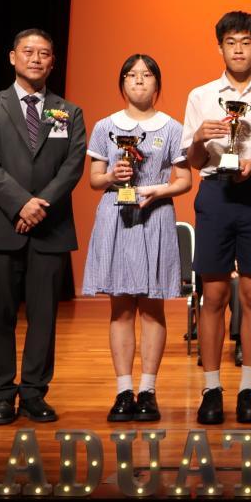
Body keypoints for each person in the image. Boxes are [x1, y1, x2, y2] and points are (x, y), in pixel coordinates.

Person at [0, 28, 87, 425]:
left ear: (53, 62)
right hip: (0, 227)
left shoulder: (68, 112)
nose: (36, 58)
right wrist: (21, 203)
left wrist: (40, 206)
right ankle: (2, 394)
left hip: (50, 229)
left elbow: (72, 166)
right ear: (12, 57)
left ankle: (34, 393)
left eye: (44, 53)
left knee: (44, 318)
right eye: (28, 51)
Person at [181, 11, 251, 425]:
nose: (238, 49)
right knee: (212, 296)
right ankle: (211, 389)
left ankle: (249, 388)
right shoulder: (201, 95)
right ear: (220, 47)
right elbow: (195, 161)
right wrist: (199, 137)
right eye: (231, 42)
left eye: (246, 42)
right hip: (215, 192)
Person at [82, 54, 193, 422]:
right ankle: (123, 391)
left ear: (157, 84)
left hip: (155, 215)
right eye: (131, 75)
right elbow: (95, 179)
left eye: (146, 75)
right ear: (122, 83)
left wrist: (158, 190)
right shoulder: (105, 126)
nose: (139, 81)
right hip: (116, 214)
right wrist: (112, 176)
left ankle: (148, 390)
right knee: (121, 308)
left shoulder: (172, 128)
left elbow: (184, 181)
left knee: (152, 307)